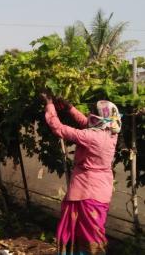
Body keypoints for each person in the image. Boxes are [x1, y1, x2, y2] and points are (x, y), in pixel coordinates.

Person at [42, 94, 122, 255]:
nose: (89, 114)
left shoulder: (91, 137)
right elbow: (85, 122)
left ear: (97, 116)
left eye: (92, 111)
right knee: (93, 230)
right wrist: (69, 107)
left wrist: (49, 105)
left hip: (86, 190)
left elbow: (59, 128)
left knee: (86, 232)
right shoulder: (111, 131)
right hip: (100, 189)